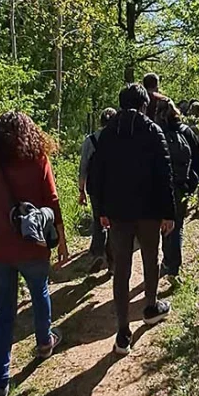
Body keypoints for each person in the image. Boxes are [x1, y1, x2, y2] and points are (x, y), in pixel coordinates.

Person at [0, 111, 69, 396]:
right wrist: (61, 240)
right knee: (40, 291)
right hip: (33, 245)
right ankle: (44, 342)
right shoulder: (37, 157)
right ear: (30, 133)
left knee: (4, 314)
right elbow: (52, 200)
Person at [93, 84, 176, 356]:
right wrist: (169, 213)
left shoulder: (108, 134)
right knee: (150, 259)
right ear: (144, 105)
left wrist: (101, 210)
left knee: (122, 269)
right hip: (149, 211)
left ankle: (122, 332)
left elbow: (98, 175)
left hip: (118, 213)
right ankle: (150, 307)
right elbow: (165, 174)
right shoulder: (153, 131)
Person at [155, 98, 199, 282]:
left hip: (161, 188)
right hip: (182, 186)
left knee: (163, 225)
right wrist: (191, 184)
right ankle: (173, 266)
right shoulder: (186, 132)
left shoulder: (157, 133)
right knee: (178, 226)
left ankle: (168, 261)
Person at [79, 107, 117, 273]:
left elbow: (83, 168)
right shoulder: (121, 140)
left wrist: (81, 190)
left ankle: (98, 253)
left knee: (98, 219)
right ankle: (112, 262)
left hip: (95, 188)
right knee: (115, 222)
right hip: (115, 188)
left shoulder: (90, 140)